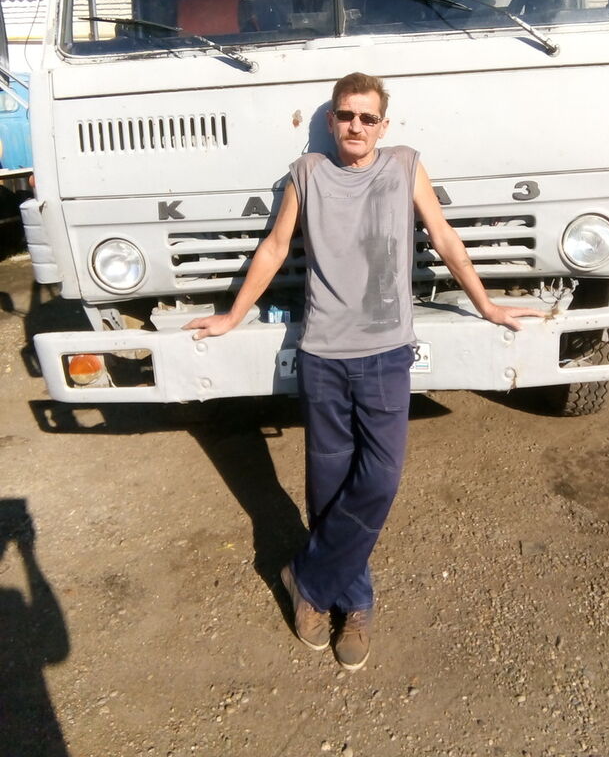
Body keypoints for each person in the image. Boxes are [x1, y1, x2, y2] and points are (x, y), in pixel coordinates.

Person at [185, 72, 545, 671]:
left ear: (383, 124)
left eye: (367, 117)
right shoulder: (307, 173)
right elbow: (275, 247)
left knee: (379, 479)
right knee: (327, 486)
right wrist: (232, 315)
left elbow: (443, 236)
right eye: (346, 115)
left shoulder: (404, 165)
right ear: (331, 121)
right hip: (324, 356)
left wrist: (485, 304)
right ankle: (354, 603)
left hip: (385, 353)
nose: (356, 126)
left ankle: (306, 578)